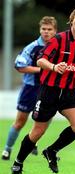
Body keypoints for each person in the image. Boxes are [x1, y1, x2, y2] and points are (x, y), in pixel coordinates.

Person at [11, 6, 75, 174]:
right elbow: (41, 61)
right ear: (71, 20)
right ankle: (18, 162)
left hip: (70, 91)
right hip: (49, 91)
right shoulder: (58, 39)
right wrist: (54, 67)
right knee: (38, 131)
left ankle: (52, 151)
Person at [1, 16, 57, 160]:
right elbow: (19, 66)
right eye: (43, 29)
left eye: (49, 29)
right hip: (31, 89)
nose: (46, 32)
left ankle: (33, 141)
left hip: (49, 88)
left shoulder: (58, 47)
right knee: (20, 121)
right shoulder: (32, 47)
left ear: (55, 31)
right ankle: (7, 149)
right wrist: (42, 69)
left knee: (45, 119)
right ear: (40, 30)